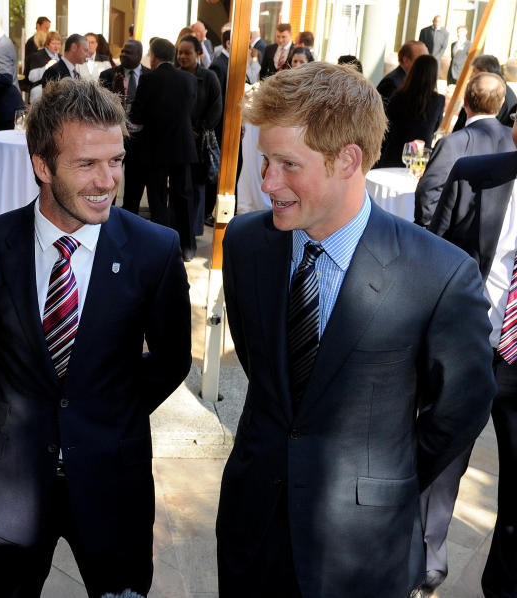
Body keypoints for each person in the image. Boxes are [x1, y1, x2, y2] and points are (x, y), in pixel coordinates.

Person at [219, 61, 496, 597]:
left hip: (364, 549)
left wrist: (383, 476)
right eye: (264, 160)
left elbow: (461, 407)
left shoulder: (439, 273)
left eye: (287, 164)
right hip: (252, 526)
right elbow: (263, 367)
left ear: (348, 160)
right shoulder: (247, 245)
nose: (267, 181)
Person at [0, 76, 191, 598]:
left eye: (116, 160)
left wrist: (108, 408)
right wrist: (23, 403)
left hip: (114, 482)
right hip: (13, 483)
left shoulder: (155, 249)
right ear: (42, 166)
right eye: (87, 164)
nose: (108, 181)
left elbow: (171, 360)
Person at [413, 73, 514, 595]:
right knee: (438, 463)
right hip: (469, 349)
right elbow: (439, 253)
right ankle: (424, 562)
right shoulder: (474, 175)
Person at [130, 38, 200, 259]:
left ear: (153, 56)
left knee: (158, 198)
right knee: (184, 195)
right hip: (182, 146)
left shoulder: (149, 79)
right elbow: (190, 109)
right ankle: (188, 246)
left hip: (156, 148)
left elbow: (137, 116)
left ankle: (161, 247)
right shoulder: (189, 79)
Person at [416, 72, 513, 227]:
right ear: (501, 105)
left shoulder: (451, 143)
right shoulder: (512, 139)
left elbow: (428, 192)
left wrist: (432, 232)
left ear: (465, 101)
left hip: (453, 238)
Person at [176, 35, 222, 238]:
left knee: (197, 186)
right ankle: (178, 229)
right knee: (178, 187)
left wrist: (200, 129)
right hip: (178, 139)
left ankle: (193, 230)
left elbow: (216, 107)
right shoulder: (175, 76)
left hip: (200, 142)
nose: (182, 56)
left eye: (187, 52)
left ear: (199, 53)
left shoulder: (209, 77)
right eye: (180, 52)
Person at [100, 40, 149, 215]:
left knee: (134, 186)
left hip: (140, 140)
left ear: (139, 55)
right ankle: (107, 215)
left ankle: (129, 218)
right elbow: (101, 107)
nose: (123, 56)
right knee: (109, 181)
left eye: (128, 53)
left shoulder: (149, 76)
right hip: (114, 137)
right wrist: (115, 91)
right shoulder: (108, 75)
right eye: (122, 52)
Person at [378, 54, 444, 168]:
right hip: (419, 155)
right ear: (433, 76)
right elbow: (435, 127)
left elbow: (387, 123)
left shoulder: (399, 96)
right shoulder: (438, 100)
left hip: (395, 151)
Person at [451, 54, 517, 131]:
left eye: (474, 71)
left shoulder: (494, 93)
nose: (471, 75)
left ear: (484, 72)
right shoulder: (500, 91)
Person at [376, 41, 428, 108]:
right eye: (422, 60)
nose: (427, 64)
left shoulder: (413, 80)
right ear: (406, 60)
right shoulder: (392, 83)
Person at [25, 30, 61, 102]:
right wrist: (46, 67)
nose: (56, 46)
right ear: (47, 44)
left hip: (57, 96)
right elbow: (32, 77)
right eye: (53, 43)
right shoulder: (37, 56)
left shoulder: (61, 58)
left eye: (58, 43)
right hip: (39, 95)